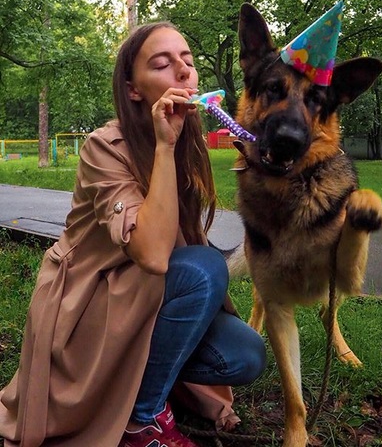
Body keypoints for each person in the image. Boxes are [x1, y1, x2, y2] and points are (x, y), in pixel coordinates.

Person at [0, 22, 267, 447]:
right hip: (92, 301)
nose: (183, 72)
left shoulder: (187, 142)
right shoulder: (104, 146)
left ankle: (143, 388)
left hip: (148, 295)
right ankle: (140, 421)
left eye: (188, 62)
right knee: (203, 270)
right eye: (162, 64)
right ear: (133, 90)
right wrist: (163, 147)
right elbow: (154, 255)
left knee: (243, 355)